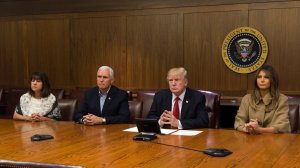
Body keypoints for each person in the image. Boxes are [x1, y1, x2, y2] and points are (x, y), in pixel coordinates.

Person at [234, 65, 290, 134]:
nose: (262, 80)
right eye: (259, 77)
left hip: (273, 140)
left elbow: (282, 126)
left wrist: (260, 130)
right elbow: (238, 122)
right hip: (251, 140)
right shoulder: (247, 98)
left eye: (266, 77)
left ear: (273, 80)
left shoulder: (282, 99)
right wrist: (246, 128)